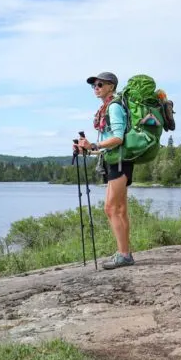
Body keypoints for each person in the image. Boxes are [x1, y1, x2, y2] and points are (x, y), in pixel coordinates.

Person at [74, 71, 134, 270]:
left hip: (119, 162)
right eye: (94, 85)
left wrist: (93, 146)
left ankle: (124, 255)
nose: (96, 88)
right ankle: (125, 252)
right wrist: (88, 149)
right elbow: (106, 144)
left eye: (100, 84)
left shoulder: (114, 107)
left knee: (111, 209)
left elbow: (118, 138)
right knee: (120, 209)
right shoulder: (105, 108)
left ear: (111, 86)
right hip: (115, 161)